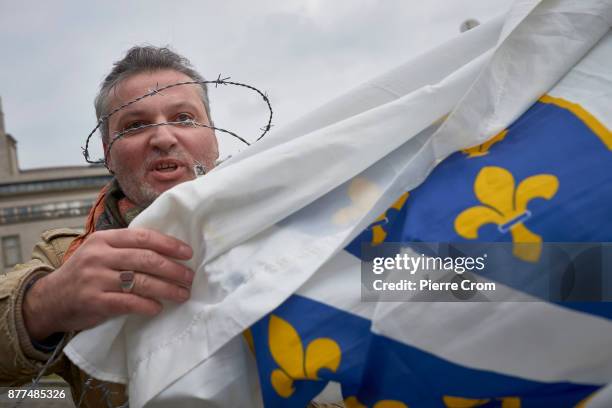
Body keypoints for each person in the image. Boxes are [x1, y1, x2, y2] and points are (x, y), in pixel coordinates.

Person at [0, 46, 218, 407]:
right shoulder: (69, 257)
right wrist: (44, 303)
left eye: (183, 118)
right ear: (108, 153)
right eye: (135, 125)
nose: (164, 137)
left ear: (213, 135)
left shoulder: (287, 220)